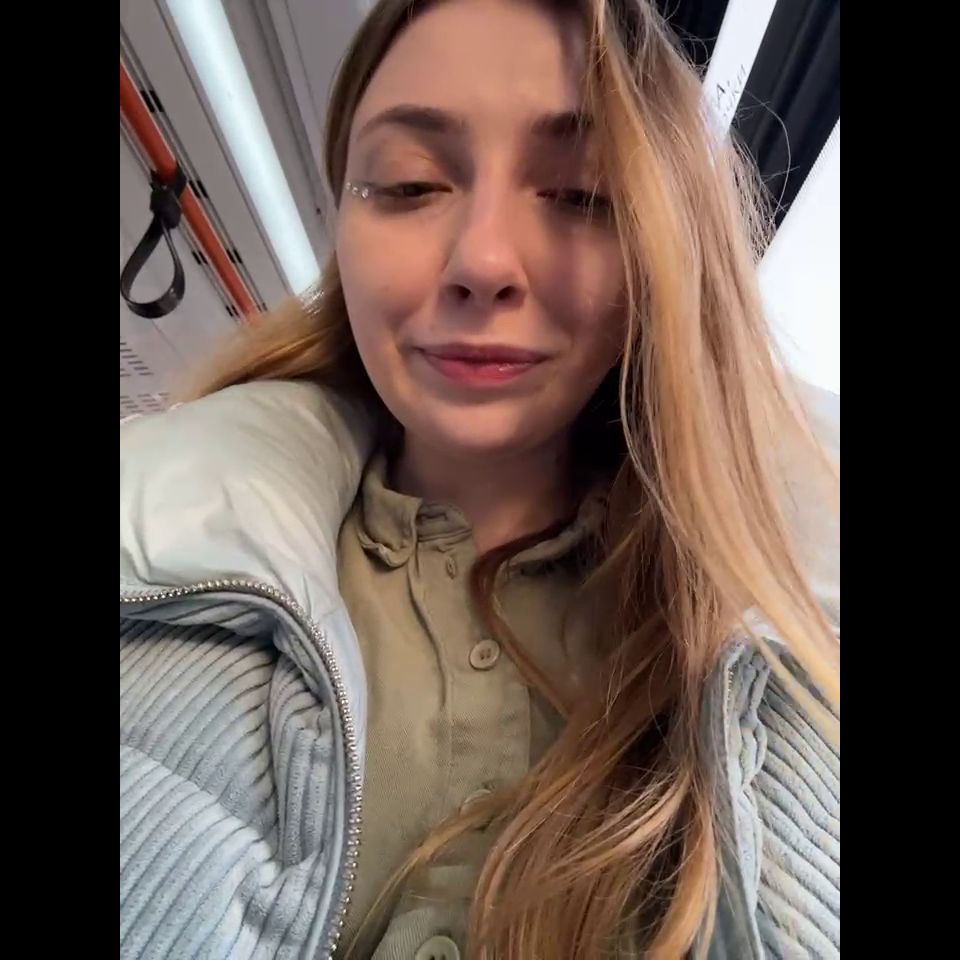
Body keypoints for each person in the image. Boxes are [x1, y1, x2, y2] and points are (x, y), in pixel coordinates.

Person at [119, 0, 840, 958]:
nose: (483, 263)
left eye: (581, 195)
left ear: (664, 255)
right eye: (409, 184)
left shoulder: (785, 632)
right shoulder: (149, 559)